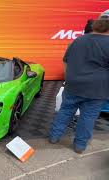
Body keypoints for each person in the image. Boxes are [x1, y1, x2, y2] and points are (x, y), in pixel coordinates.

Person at [49, 9, 109, 154]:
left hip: (73, 85)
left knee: (65, 111)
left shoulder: (78, 40)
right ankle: (80, 146)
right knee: (88, 117)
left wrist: (70, 77)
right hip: (97, 89)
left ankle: (54, 137)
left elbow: (66, 62)